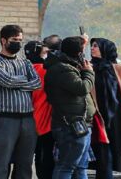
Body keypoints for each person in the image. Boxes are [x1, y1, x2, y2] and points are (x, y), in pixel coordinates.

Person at [0, 25, 41, 179]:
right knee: (1, 163)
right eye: (14, 40)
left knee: (25, 163)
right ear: (3, 40)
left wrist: (16, 83)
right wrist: (24, 81)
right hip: (4, 119)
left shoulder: (25, 62)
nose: (18, 43)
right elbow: (6, 81)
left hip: (28, 119)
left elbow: (37, 83)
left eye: (20, 40)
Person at [44, 36, 95, 179]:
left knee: (80, 166)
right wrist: (89, 72)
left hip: (81, 124)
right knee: (67, 166)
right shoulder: (63, 69)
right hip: (70, 125)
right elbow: (82, 87)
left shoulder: (68, 64)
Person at [91, 38, 121, 179]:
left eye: (96, 46)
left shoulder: (118, 69)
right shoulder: (89, 68)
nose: (92, 49)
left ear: (105, 49)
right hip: (96, 115)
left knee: (110, 151)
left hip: (115, 116)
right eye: (92, 46)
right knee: (102, 153)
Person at [25, 41, 55, 179]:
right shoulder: (45, 70)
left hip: (26, 118)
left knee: (33, 155)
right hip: (46, 119)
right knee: (47, 154)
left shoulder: (23, 69)